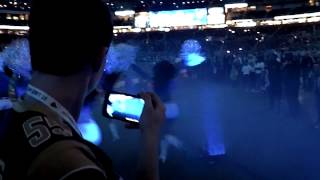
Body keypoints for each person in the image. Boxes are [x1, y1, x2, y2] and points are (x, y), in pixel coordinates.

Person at [0, 0, 165, 180]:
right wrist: (151, 135)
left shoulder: (5, 113)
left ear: (32, 49)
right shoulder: (74, 165)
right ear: (99, 56)